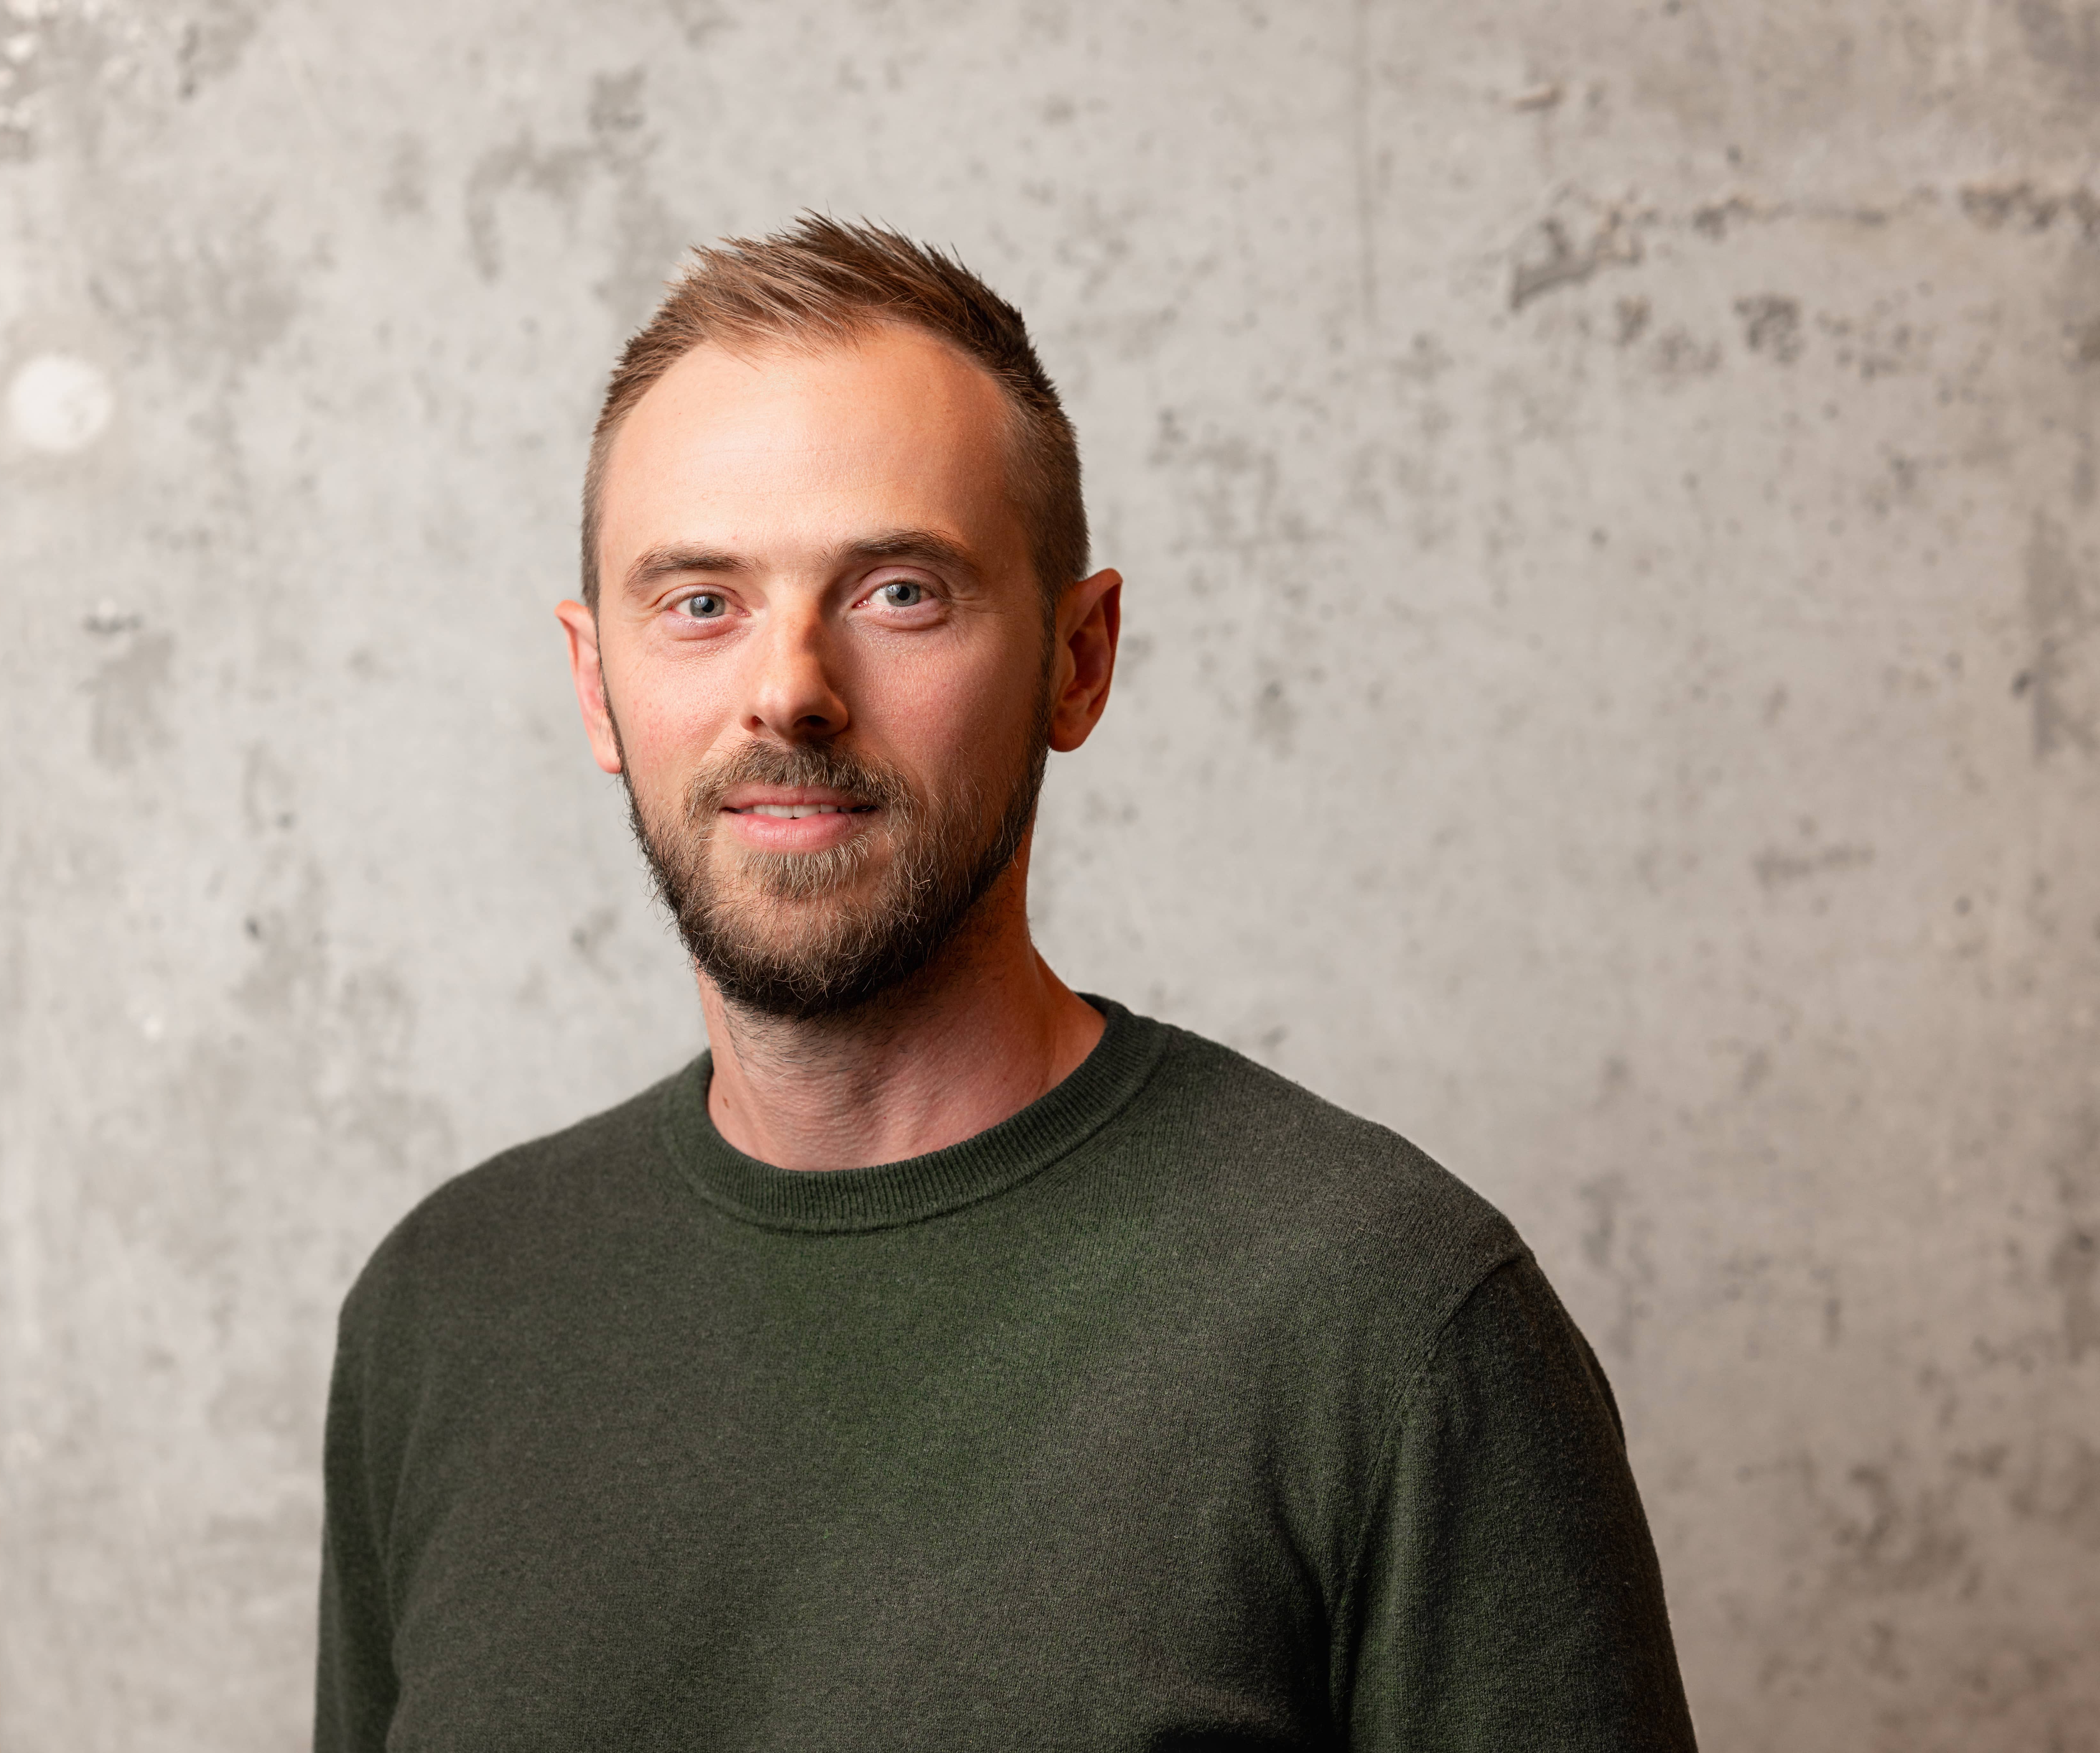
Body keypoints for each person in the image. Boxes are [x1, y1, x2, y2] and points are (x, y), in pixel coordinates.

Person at [314, 216, 1697, 1751]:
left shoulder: (1388, 1325)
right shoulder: (449, 1308)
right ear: (597, 683)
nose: (788, 690)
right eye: (700, 601)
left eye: (899, 590)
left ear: (1078, 659)